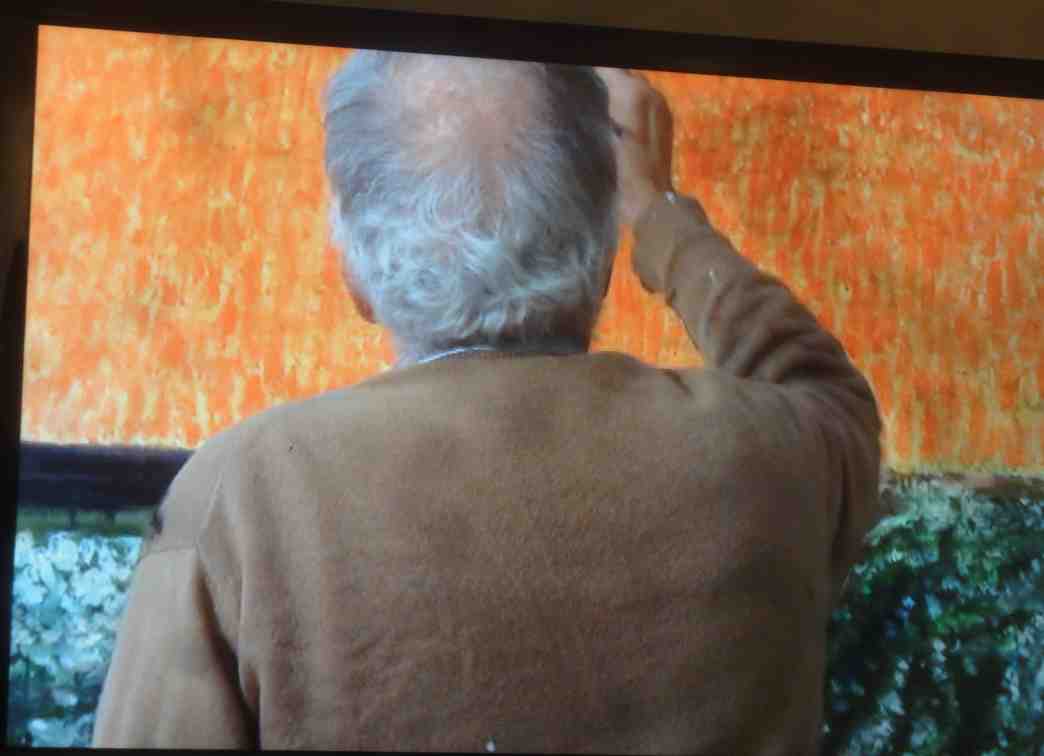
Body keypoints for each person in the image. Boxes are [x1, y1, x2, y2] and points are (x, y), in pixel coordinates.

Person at [92, 52, 882, 753]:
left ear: (356, 277)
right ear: (603, 253)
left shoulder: (237, 498)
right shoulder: (769, 458)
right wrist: (656, 211)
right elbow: (826, 391)